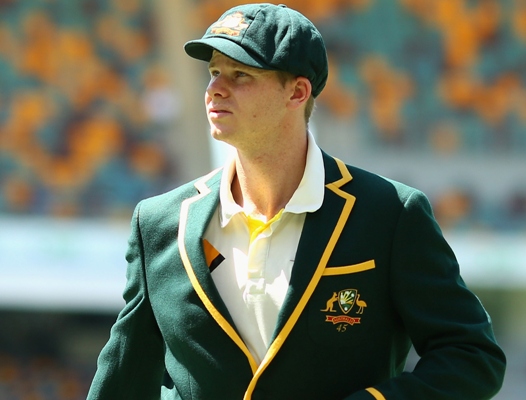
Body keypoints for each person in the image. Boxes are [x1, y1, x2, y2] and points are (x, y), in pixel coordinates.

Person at [87, 3, 506, 399]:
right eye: (214, 72)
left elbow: (472, 356)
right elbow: (123, 381)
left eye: (240, 75)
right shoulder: (158, 223)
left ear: (297, 92)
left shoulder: (391, 213)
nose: (215, 88)